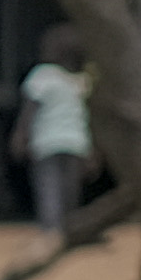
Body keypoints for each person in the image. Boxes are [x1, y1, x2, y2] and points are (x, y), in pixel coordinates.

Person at [21, 22, 96, 239]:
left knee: (49, 188)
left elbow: (30, 110)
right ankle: (67, 228)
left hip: (47, 141)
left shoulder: (42, 75)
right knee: (70, 188)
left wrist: (21, 135)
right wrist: (92, 150)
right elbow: (87, 117)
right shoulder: (82, 81)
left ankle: (50, 231)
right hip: (76, 142)